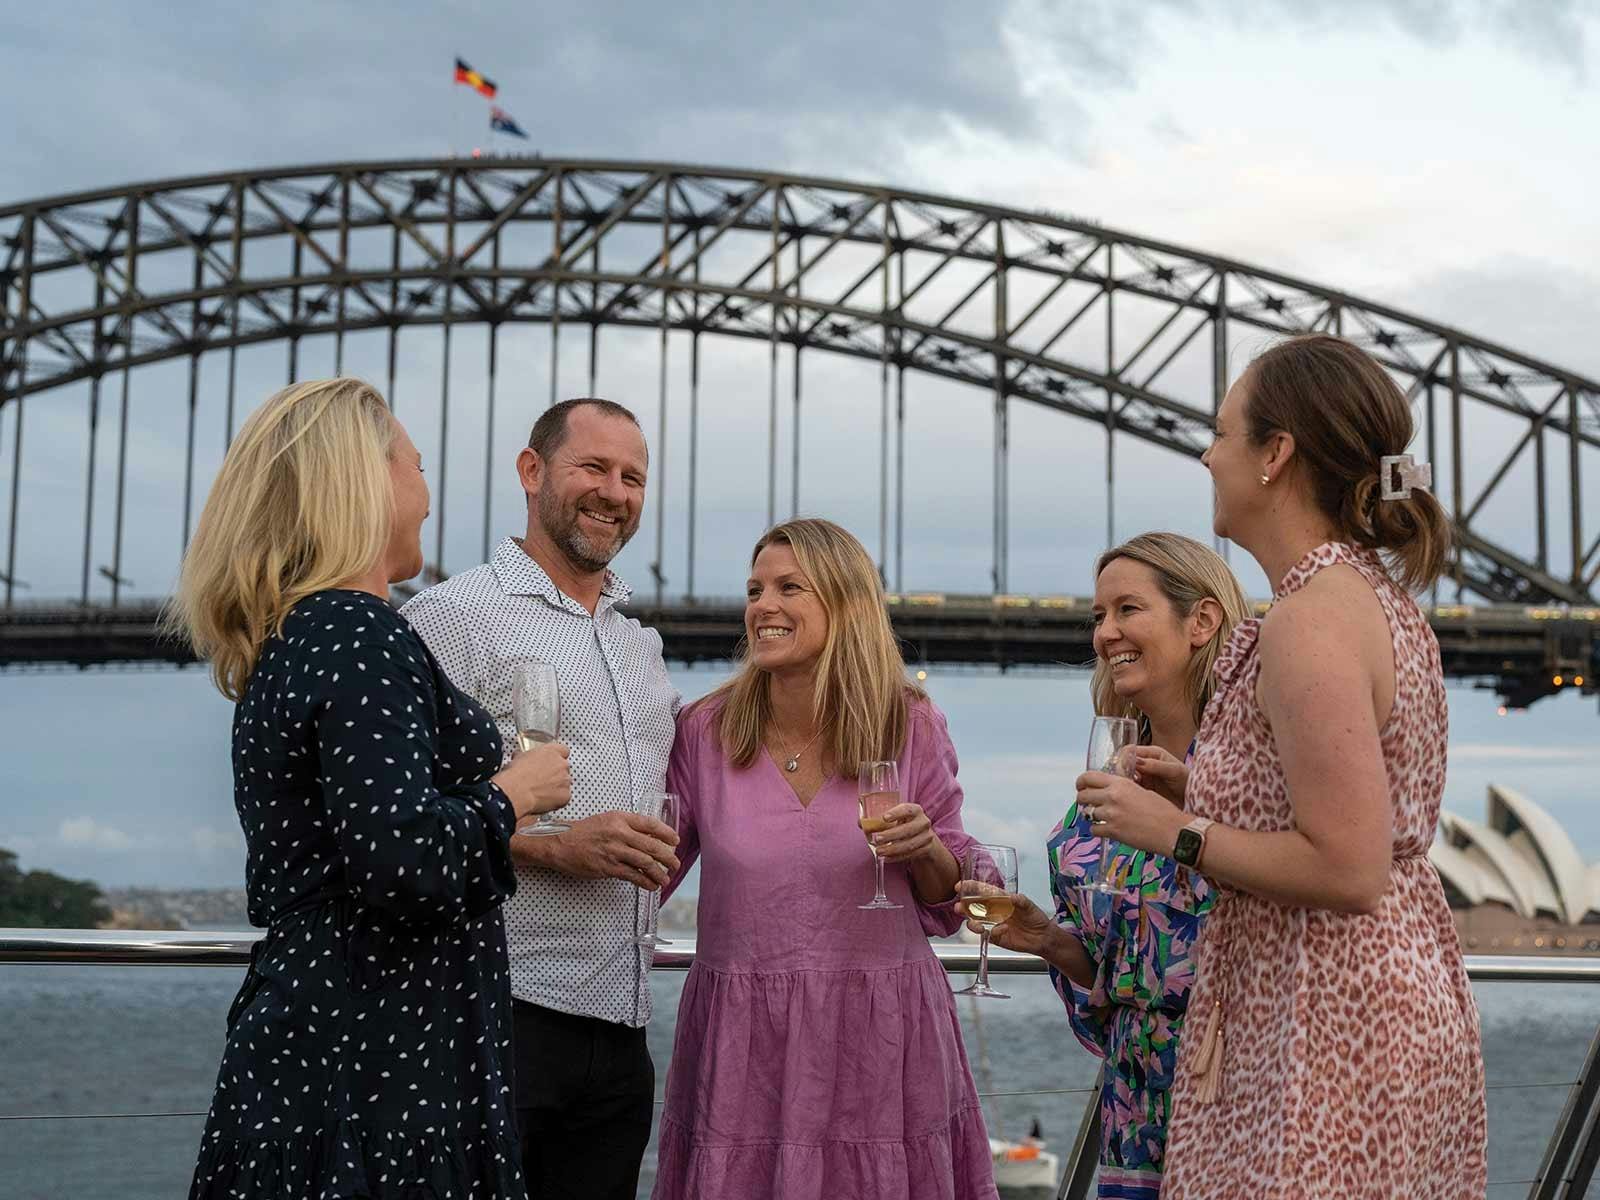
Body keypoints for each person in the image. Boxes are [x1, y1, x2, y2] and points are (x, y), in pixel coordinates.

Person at [1078, 334, 1487, 1198]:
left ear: (1275, 456)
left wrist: (1176, 832)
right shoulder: (1366, 597)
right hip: (1373, 999)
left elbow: (1348, 864)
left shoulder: (1312, 619)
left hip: (1325, 1019)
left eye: (1222, 433)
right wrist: (1207, 789)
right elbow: (1339, 806)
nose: (1206, 453)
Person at [172, 379, 571, 1200]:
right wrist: (512, 794)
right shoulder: (359, 633)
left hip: (327, 1049)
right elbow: (403, 864)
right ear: (366, 481)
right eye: (416, 467)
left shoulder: (300, 634)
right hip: (380, 1070)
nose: (428, 496)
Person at [652, 518, 999, 1200]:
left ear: (846, 605)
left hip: (884, 1037)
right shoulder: (704, 729)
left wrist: (925, 844)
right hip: (744, 1043)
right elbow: (650, 871)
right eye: (755, 590)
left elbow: (948, 897)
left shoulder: (911, 722)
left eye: (789, 588)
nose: (763, 606)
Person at [402, 397, 680, 1200]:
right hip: (499, 1017)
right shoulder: (453, 617)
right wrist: (555, 845)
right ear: (532, 472)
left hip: (623, 1033)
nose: (615, 493)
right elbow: (402, 819)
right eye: (593, 467)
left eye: (633, 477)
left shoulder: (641, 646)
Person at [960, 533, 1248, 1197]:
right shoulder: (1098, 801)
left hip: (1247, 1113)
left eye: (1127, 610)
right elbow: (1112, 999)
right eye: (1098, 617)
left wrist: (1194, 810)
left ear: (1201, 621)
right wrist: (1047, 941)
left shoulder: (1252, 774)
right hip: (1135, 1128)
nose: (1105, 633)